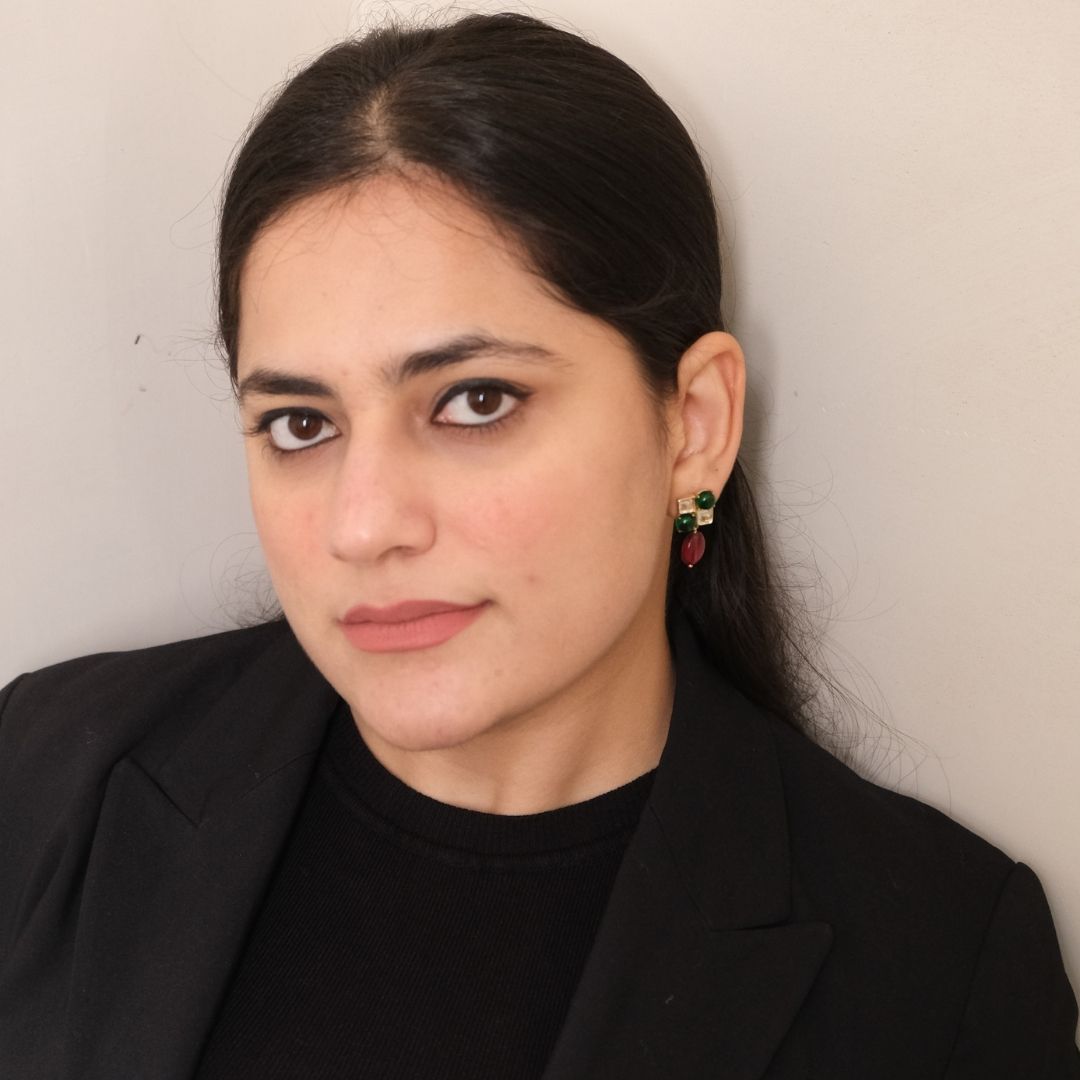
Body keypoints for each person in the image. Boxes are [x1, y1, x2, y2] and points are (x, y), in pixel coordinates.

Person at [1, 10, 1077, 1078]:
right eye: (299, 424)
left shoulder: (938, 971)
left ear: (695, 426)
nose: (362, 525)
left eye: (476, 401)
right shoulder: (46, 771)